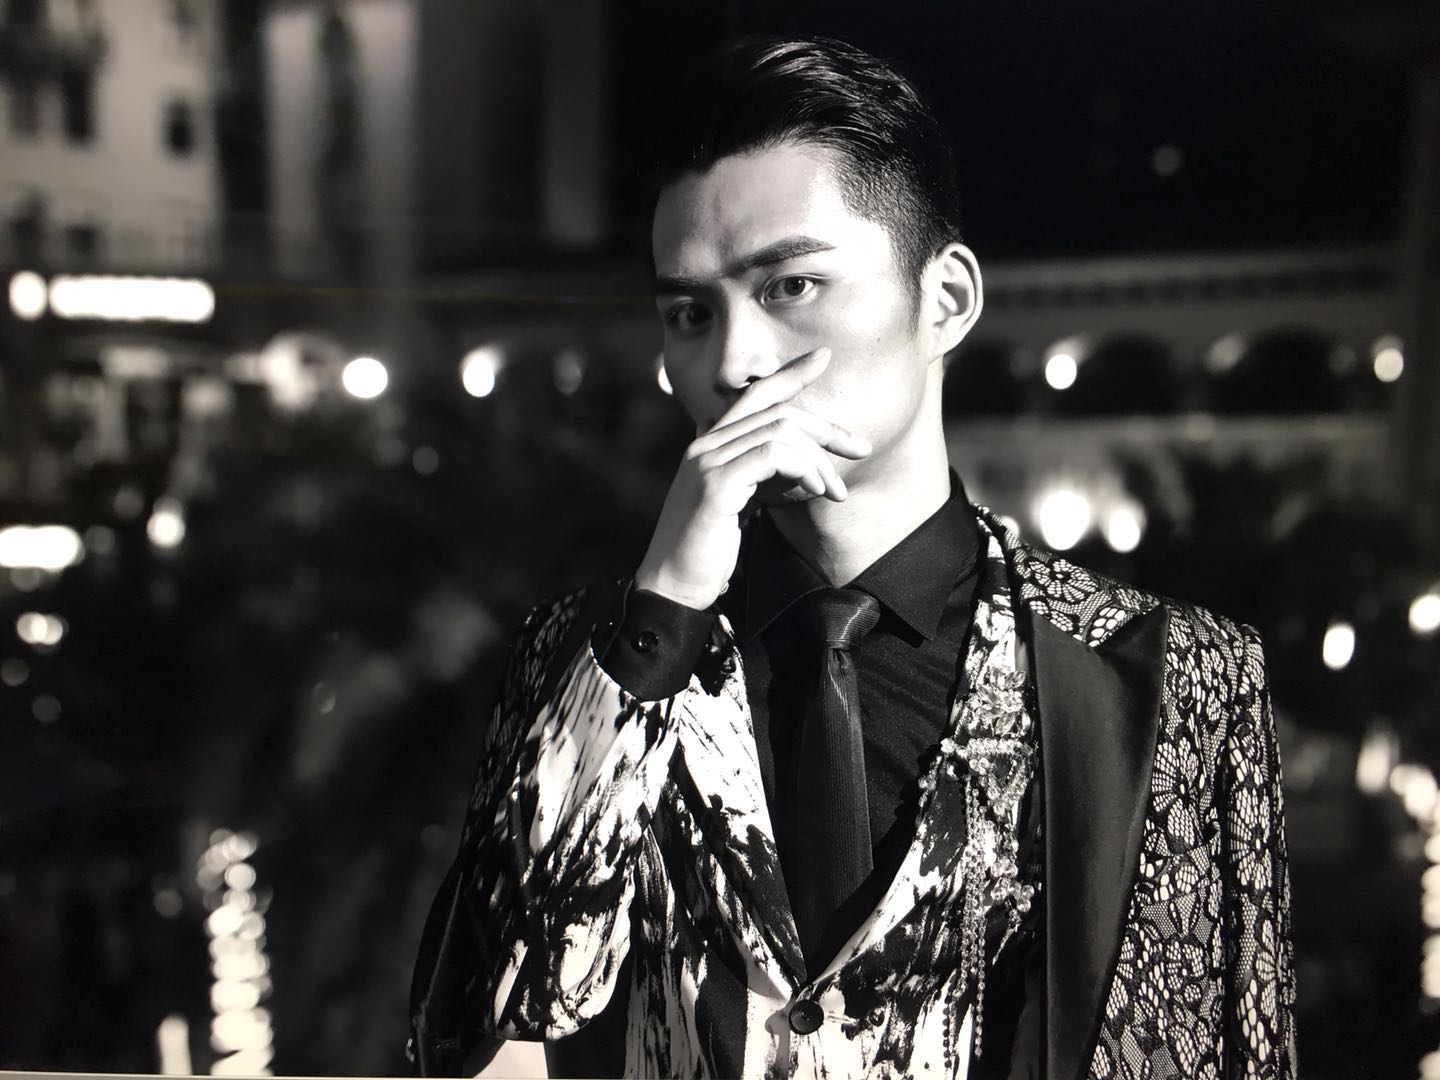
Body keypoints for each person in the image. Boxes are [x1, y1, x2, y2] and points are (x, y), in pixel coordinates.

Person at [409, 35, 1297, 1080]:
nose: (734, 362)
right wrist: (669, 600)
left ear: (945, 300)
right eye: (690, 313)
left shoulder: (1171, 677)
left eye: (791, 285)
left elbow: (1223, 1050)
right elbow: (490, 1014)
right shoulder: (595, 657)